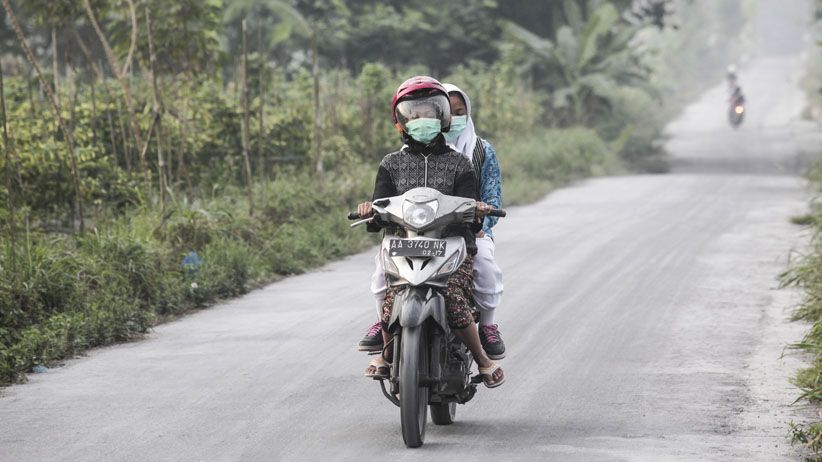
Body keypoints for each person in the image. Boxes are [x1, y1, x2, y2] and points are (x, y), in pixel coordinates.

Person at [357, 76, 504, 388]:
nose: (423, 121)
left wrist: (476, 211)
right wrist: (371, 211)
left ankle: (482, 359)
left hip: (451, 245)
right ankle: (384, 354)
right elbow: (381, 206)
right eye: (415, 115)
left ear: (443, 118)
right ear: (402, 122)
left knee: (452, 296)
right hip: (404, 245)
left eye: (430, 114)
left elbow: (471, 213)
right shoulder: (391, 163)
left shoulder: (461, 163)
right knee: (390, 290)